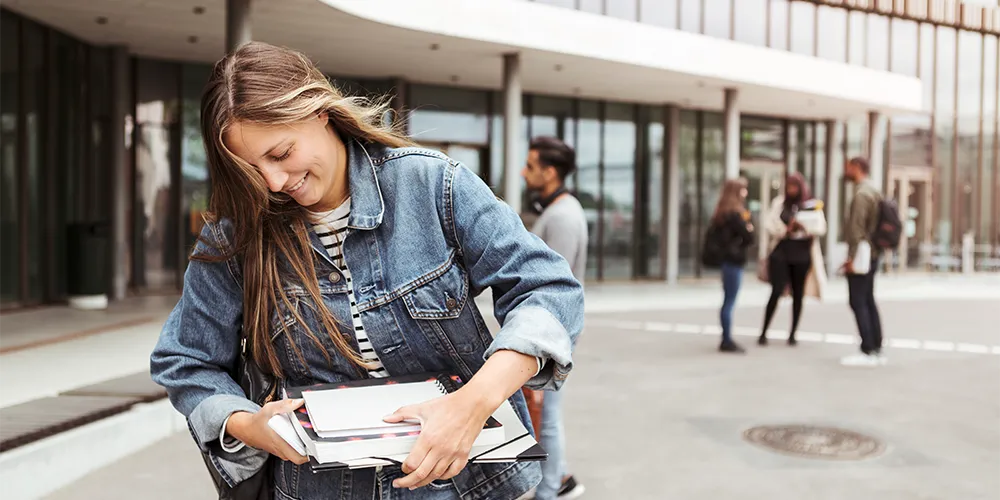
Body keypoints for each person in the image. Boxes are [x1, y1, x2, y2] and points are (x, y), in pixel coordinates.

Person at [149, 42, 584, 500]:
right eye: (251, 170)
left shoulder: (432, 185)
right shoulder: (235, 235)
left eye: (280, 153)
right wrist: (247, 424)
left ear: (319, 111)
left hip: (464, 485)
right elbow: (186, 360)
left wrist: (472, 404)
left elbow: (548, 289)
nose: (274, 183)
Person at [519, 136, 587, 500]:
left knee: (547, 417)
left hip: (552, 330)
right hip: (551, 329)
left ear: (549, 171)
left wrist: (544, 348)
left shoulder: (562, 216)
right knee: (546, 414)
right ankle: (558, 480)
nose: (523, 172)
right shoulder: (559, 209)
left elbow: (554, 288)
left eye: (530, 166)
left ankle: (551, 490)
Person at [758, 172, 828, 346]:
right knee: (776, 291)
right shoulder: (780, 204)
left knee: (798, 294)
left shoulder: (810, 205)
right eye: (789, 186)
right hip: (782, 252)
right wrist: (786, 229)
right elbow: (770, 224)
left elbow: (820, 227)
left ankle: (793, 333)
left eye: (795, 186)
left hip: (802, 254)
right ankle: (764, 331)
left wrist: (805, 227)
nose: (792, 190)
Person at [840, 156, 886, 367]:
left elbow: (856, 230)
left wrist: (852, 259)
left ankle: (867, 347)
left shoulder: (861, 195)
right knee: (867, 298)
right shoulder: (874, 191)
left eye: (848, 167)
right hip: (874, 253)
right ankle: (875, 344)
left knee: (858, 300)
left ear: (857, 167)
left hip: (863, 254)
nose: (846, 170)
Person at [706, 179, 755, 354]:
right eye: (743, 190)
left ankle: (726, 337)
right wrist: (748, 225)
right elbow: (749, 237)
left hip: (726, 261)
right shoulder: (736, 215)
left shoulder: (720, 214)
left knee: (727, 299)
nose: (746, 193)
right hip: (734, 261)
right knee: (730, 300)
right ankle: (726, 339)